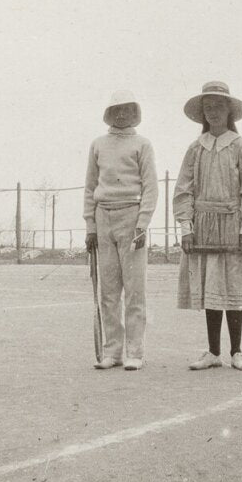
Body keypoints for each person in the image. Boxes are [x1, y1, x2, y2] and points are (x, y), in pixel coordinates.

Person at [173, 81, 242, 371]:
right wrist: (186, 228)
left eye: (218, 106)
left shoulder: (240, 147)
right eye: (208, 107)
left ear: (229, 111)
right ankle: (213, 353)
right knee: (211, 285)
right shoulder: (194, 149)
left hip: (233, 224)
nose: (213, 112)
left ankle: (236, 352)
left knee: (233, 285)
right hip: (203, 226)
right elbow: (183, 190)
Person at [83, 90, 158, 371]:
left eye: (127, 109)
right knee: (109, 289)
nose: (121, 114)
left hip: (131, 216)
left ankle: (134, 351)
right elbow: (90, 187)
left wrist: (142, 223)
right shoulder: (98, 144)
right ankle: (112, 351)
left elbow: (151, 186)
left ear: (134, 112)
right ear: (109, 113)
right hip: (103, 218)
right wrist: (90, 225)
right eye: (116, 110)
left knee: (134, 289)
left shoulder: (142, 144)